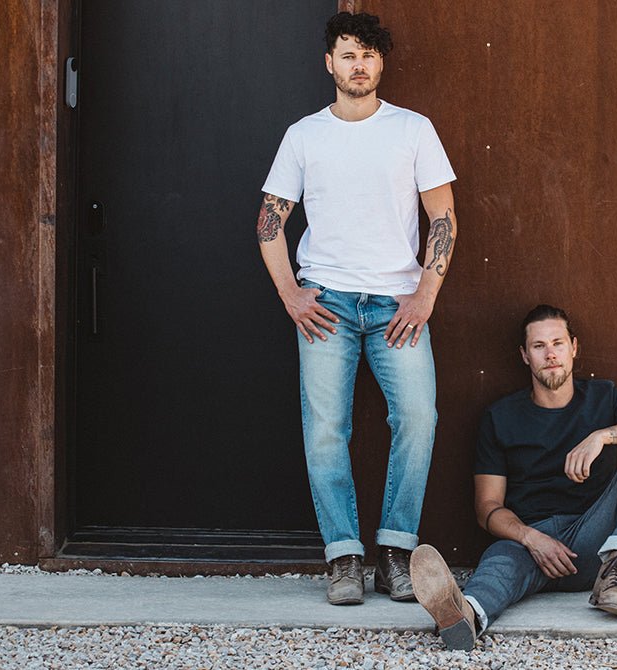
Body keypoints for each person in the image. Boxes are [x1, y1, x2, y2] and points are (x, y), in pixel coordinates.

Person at [257, 11, 457, 606]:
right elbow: (269, 223)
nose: (359, 65)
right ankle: (343, 557)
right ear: (330, 64)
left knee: (418, 419)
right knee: (326, 430)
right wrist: (291, 294)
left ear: (381, 63)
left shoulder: (413, 129)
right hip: (327, 304)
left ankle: (395, 553)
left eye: (368, 54)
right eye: (348, 55)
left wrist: (425, 295)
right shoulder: (304, 136)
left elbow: (442, 218)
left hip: (398, 304)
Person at [410, 305, 617, 650]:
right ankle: (464, 616)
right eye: (539, 346)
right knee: (498, 563)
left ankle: (615, 573)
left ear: (574, 348)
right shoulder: (500, 417)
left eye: (558, 343)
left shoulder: (604, 397)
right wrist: (531, 538)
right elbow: (487, 507)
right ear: (525, 356)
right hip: (529, 544)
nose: (550, 354)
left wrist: (602, 436)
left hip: (592, 541)